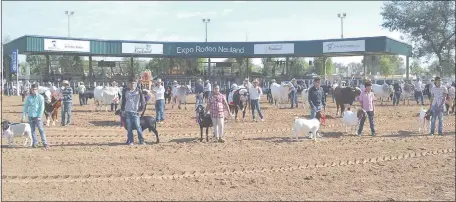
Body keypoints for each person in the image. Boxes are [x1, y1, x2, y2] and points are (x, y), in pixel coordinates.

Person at [22, 84, 49, 149]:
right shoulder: (29, 97)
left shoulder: (40, 97)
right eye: (33, 89)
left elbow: (42, 108)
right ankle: (35, 143)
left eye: (35, 89)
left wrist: (39, 116)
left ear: (37, 90)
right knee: (32, 131)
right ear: (31, 89)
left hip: (38, 117)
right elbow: (25, 107)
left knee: (41, 130)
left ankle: (45, 143)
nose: (34, 91)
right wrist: (23, 116)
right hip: (31, 116)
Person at [120, 78, 146, 145]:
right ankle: (130, 141)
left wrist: (141, 110)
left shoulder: (139, 91)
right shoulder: (125, 91)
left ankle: (141, 141)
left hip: (136, 112)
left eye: (133, 83)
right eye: (131, 83)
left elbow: (143, 101)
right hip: (127, 112)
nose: (132, 85)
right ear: (128, 84)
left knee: (138, 126)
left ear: (135, 84)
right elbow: (123, 101)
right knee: (129, 128)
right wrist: (122, 110)